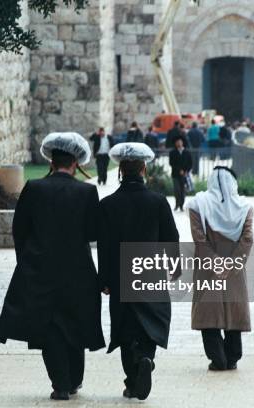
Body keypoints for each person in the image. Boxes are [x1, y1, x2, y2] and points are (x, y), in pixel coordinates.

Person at [0, 132, 105, 401]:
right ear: (76, 163)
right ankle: (74, 379)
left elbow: (20, 230)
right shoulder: (87, 191)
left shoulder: (33, 188)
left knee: (50, 327)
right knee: (74, 324)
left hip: (40, 269)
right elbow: (93, 232)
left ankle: (60, 384)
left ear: (51, 162)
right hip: (78, 271)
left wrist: (27, 260)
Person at [98, 142, 180, 401]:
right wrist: (174, 268)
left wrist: (105, 280)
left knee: (125, 327)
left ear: (120, 170)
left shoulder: (108, 204)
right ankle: (146, 357)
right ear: (144, 168)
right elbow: (171, 238)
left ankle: (132, 380)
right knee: (151, 320)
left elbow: (105, 246)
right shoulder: (157, 201)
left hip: (121, 274)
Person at [185, 167, 253, 371]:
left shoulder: (198, 205)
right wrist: (230, 265)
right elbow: (247, 239)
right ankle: (232, 357)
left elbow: (199, 240)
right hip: (234, 270)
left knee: (209, 312)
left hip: (208, 267)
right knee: (233, 308)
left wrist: (216, 262)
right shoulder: (245, 207)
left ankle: (217, 358)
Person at [169, 135, 192, 211]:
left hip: (184, 175)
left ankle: (181, 205)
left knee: (182, 191)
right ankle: (177, 204)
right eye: (177, 142)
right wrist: (179, 170)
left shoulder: (187, 152)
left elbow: (190, 163)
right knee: (177, 190)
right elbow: (171, 163)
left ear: (182, 142)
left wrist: (186, 171)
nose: (178, 143)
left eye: (180, 142)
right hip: (175, 174)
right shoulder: (172, 152)